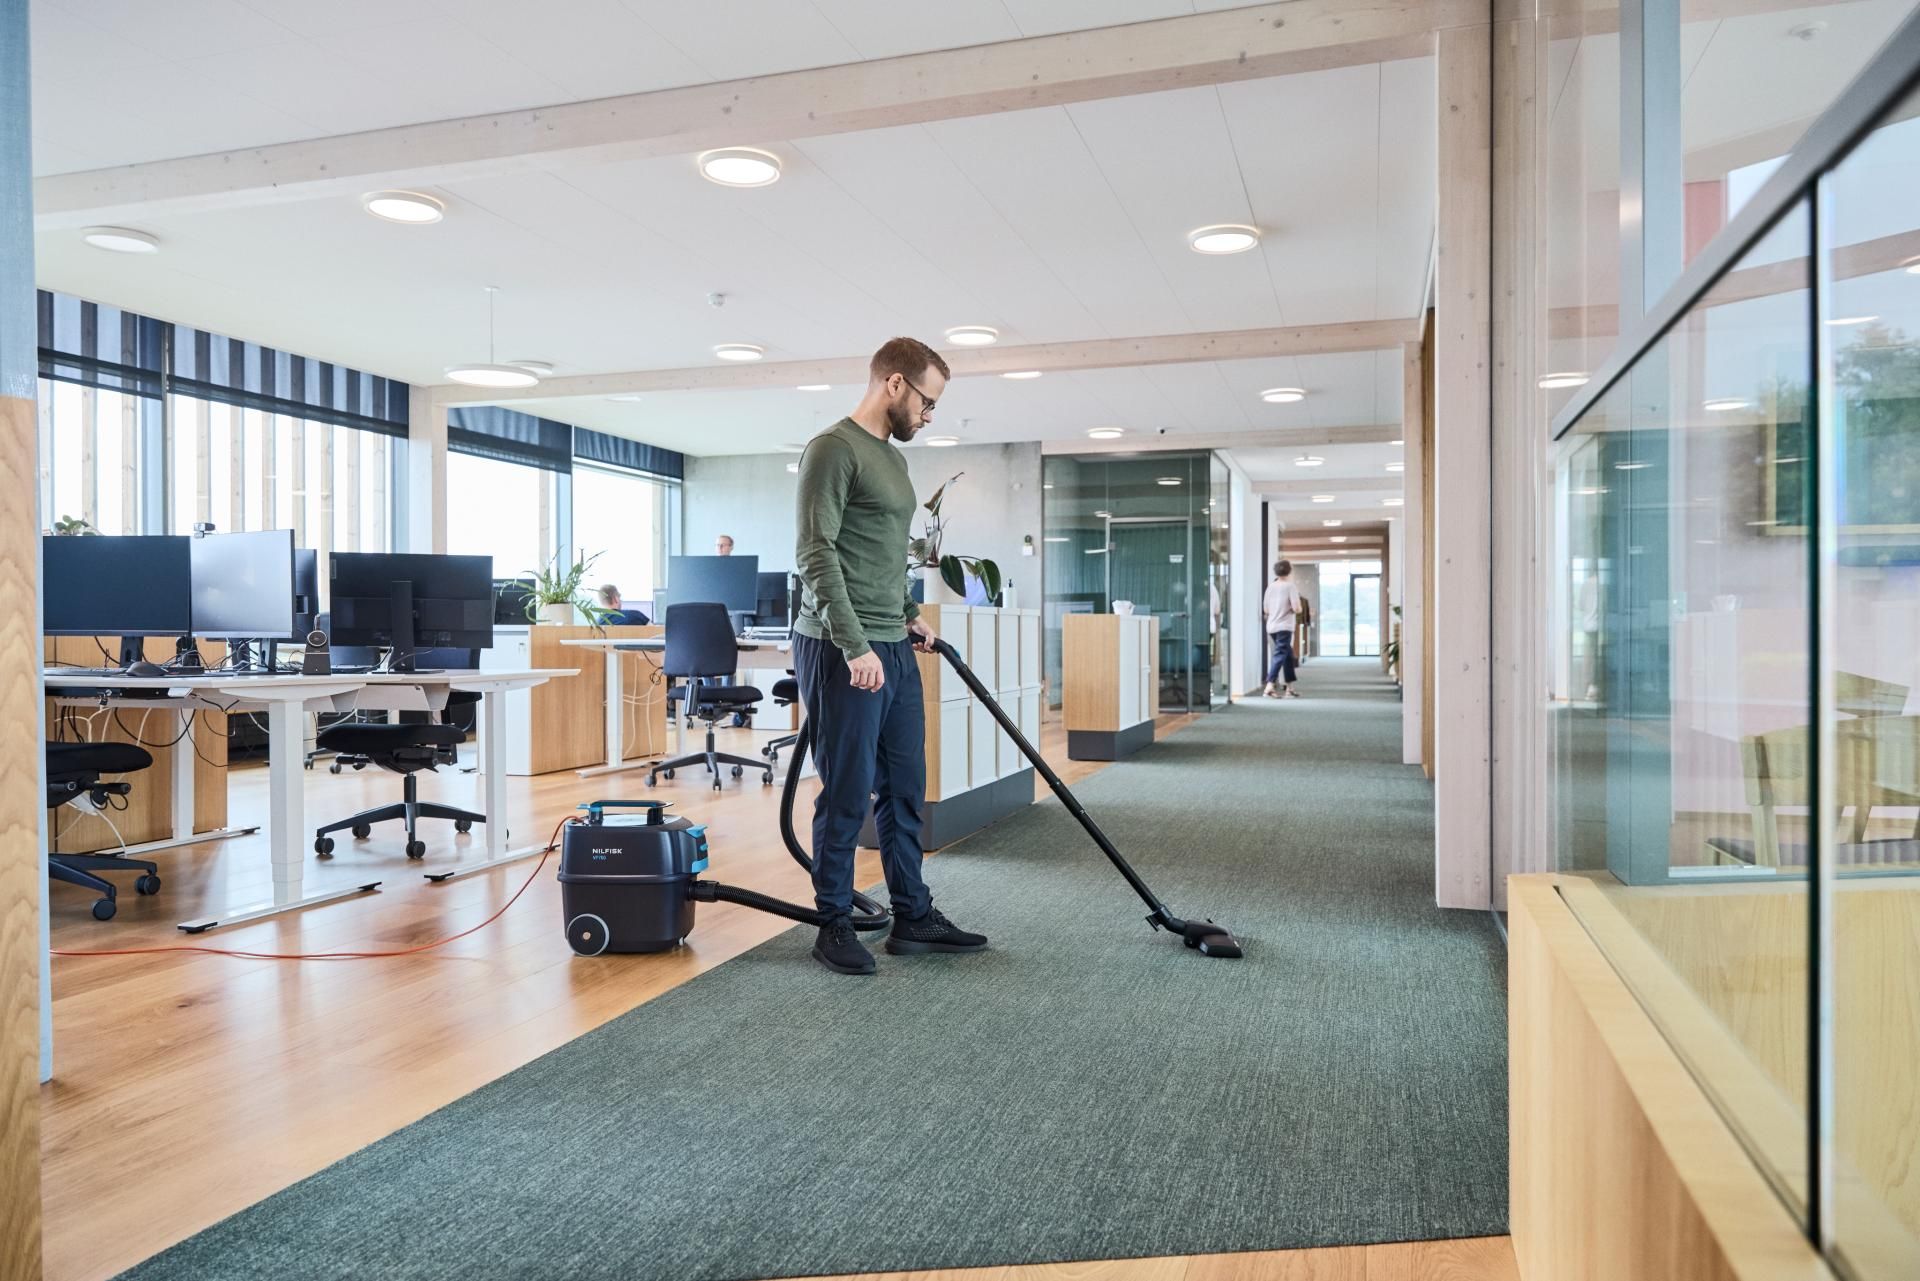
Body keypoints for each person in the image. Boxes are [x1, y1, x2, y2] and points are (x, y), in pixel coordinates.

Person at [793, 336, 988, 975]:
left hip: (891, 644)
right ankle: (834, 922)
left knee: (905, 787)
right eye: (928, 402)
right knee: (847, 791)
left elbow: (880, 554)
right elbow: (816, 554)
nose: (930, 416)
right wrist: (854, 645)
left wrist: (909, 619)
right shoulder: (832, 450)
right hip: (840, 648)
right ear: (895, 384)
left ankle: (913, 914)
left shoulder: (893, 463)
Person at [1262, 559, 1302, 699]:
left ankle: (1289, 688)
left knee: (1288, 655)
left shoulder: (1270, 587)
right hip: (1284, 626)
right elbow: (1297, 608)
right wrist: (1293, 609)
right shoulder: (1290, 586)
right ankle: (1269, 685)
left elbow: (1266, 609)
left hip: (1272, 626)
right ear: (1289, 571)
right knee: (1280, 655)